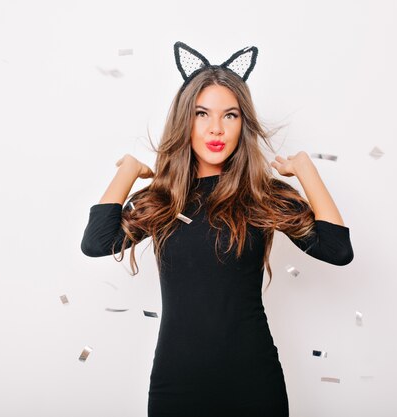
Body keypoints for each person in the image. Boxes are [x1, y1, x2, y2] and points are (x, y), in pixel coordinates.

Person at [81, 41, 354, 417]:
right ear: (184, 120)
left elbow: (338, 250)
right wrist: (128, 170)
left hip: (253, 385)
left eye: (230, 116)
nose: (216, 129)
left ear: (244, 124)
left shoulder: (262, 195)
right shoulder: (164, 199)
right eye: (201, 114)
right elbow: (96, 242)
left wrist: (307, 171)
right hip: (175, 386)